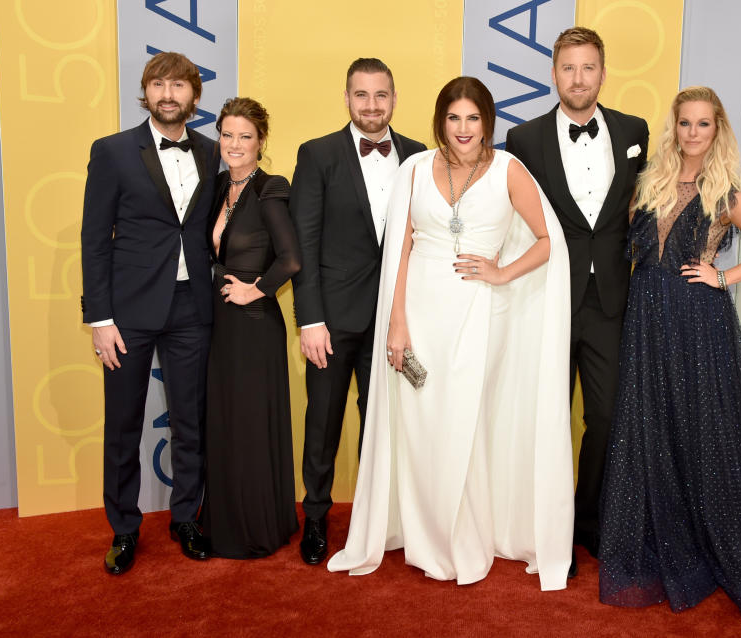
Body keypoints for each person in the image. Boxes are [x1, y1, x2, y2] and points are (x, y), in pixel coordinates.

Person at [327, 77, 574, 590]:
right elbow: (400, 250)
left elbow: (550, 240)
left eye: (474, 118)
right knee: (421, 424)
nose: (463, 129)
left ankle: (464, 537)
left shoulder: (509, 170)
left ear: (488, 123)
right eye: (454, 118)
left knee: (465, 422)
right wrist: (396, 324)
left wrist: (503, 272)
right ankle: (426, 536)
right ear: (441, 121)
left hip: (480, 316)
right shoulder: (414, 170)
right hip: (419, 312)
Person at [597, 86, 741, 619]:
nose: (693, 134)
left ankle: (714, 542)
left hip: (698, 321)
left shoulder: (729, 193)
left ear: (718, 130)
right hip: (646, 320)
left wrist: (724, 276)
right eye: (685, 124)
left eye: (703, 124)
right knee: (652, 426)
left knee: (702, 428)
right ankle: (661, 536)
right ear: (673, 128)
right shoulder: (648, 182)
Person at [505, 27, 649, 573]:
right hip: (545, 297)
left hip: (610, 299)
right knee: (545, 418)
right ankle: (549, 527)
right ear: (554, 74)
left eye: (589, 68)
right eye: (568, 68)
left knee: (607, 418)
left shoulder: (634, 131)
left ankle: (588, 520)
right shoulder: (524, 139)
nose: (579, 78)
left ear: (603, 73)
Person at [81, 52, 218, 574]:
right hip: (128, 313)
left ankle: (187, 517)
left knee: (192, 421)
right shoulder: (113, 151)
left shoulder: (211, 151)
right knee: (122, 425)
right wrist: (100, 318)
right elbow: (94, 239)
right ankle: (123, 529)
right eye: (158, 84)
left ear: (194, 96)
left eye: (178, 85)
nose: (168, 93)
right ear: (146, 92)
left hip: (191, 307)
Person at [289, 58, 426, 565]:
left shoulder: (417, 155)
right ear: (346, 98)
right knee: (322, 424)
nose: (372, 105)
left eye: (381, 95)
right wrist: (310, 319)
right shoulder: (318, 154)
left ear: (394, 98)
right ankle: (317, 521)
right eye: (362, 95)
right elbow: (303, 240)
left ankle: (380, 521)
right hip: (331, 320)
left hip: (394, 322)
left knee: (388, 426)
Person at [198, 98, 302, 558]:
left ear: (261, 142)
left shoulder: (270, 187)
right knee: (226, 424)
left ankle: (255, 528)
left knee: (250, 426)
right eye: (227, 134)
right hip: (221, 326)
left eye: (245, 136)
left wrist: (256, 290)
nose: (235, 144)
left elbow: (291, 258)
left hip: (255, 325)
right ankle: (225, 519)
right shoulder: (220, 185)